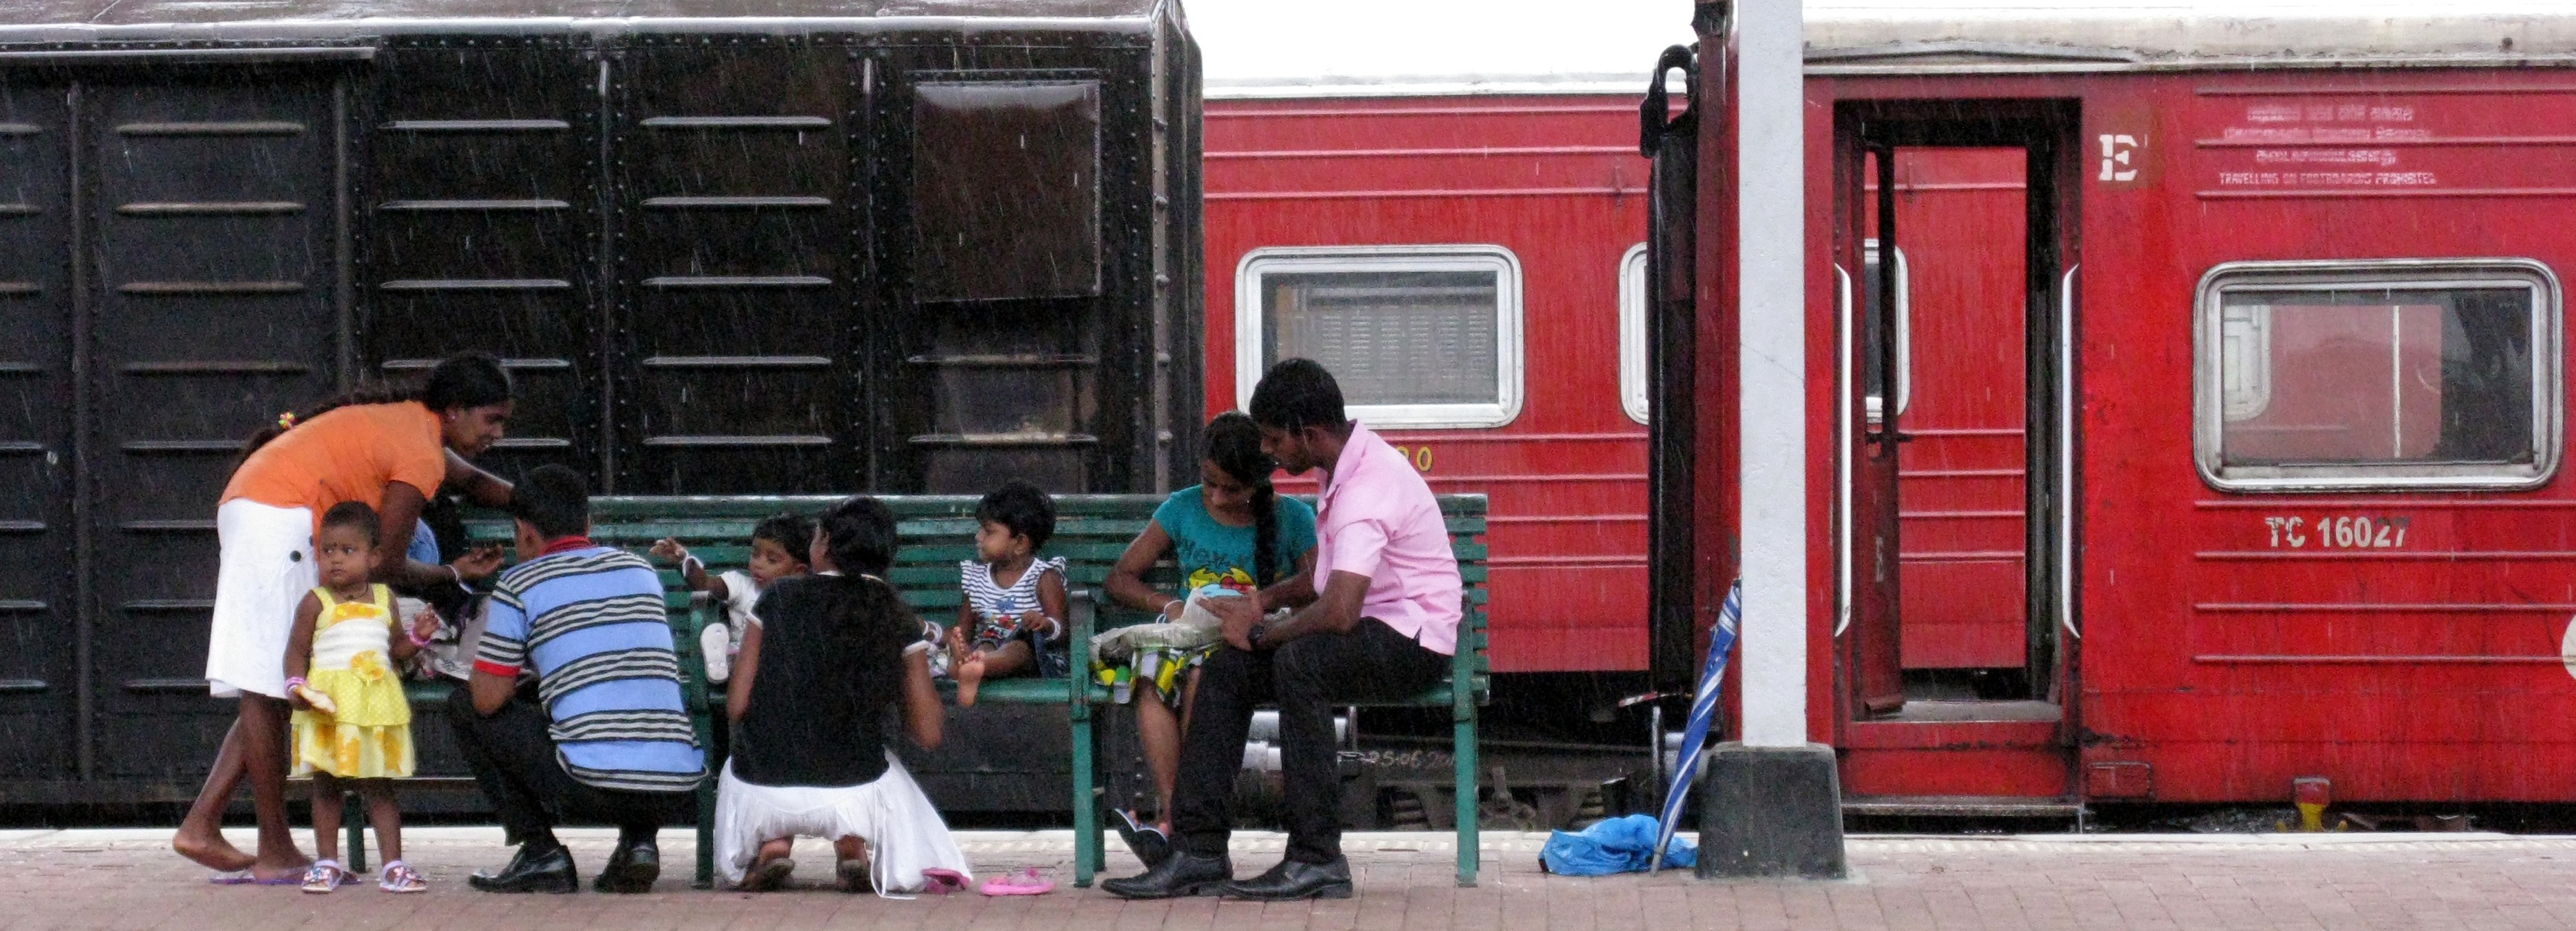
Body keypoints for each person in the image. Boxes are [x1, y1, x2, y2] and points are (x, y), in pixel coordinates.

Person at [1102, 359, 1461, 902]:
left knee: (1301, 663)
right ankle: (1197, 851)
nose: (1268, 452)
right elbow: (1322, 579)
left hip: (1411, 641)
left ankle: (1317, 858)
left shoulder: (1365, 490)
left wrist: (1264, 632)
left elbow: (1338, 610)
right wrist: (1260, 604)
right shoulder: (1341, 465)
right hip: (1371, 625)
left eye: (1274, 439)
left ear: (1307, 433)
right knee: (1226, 667)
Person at [176, 354, 516, 883]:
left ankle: (201, 824)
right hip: (279, 522)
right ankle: (274, 851)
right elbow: (388, 565)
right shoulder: (419, 450)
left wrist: (534, 501)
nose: (499, 433)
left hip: (258, 507)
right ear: (454, 411)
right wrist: (452, 572)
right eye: (492, 419)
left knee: (274, 685)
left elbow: (473, 482)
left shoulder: (411, 426)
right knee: (269, 691)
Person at [449, 466, 703, 894]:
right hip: (676, 786)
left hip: (587, 787)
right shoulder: (640, 570)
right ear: (587, 524)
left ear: (524, 532)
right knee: (626, 709)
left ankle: (540, 852)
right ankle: (639, 843)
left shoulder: (519, 583)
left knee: (464, 705)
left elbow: (489, 699)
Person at [714, 496, 974, 894]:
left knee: (764, 757)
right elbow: (928, 733)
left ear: (826, 545)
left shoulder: (776, 597)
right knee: (869, 764)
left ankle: (774, 844)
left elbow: (737, 707)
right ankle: (853, 846)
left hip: (761, 784)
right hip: (853, 783)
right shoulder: (893, 612)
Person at [1099, 413, 1319, 866]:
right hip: (1187, 633)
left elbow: (1319, 582)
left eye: (1232, 489)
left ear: (1259, 482)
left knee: (1204, 676)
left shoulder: (1293, 518)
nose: (1217, 498)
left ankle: (1182, 826)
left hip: (1247, 646)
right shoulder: (1181, 508)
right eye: (1208, 483)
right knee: (1151, 676)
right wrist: (1170, 605)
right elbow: (1120, 578)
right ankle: (1175, 814)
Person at [282, 502, 440, 894]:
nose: (335, 560)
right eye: (327, 550)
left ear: (374, 557)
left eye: (347, 551)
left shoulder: (384, 599)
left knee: (379, 786)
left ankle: (393, 865)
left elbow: (396, 650)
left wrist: (418, 638)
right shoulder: (315, 602)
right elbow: (296, 650)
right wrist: (295, 685)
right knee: (326, 786)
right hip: (329, 708)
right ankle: (327, 863)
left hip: (372, 707)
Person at [649, 512, 814, 684]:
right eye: (755, 554)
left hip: (782, 671)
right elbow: (705, 584)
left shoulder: (804, 599)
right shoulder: (740, 585)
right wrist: (684, 562)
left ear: (799, 571)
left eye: (772, 560)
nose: (758, 563)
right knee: (738, 654)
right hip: (743, 667)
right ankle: (720, 660)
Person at [946, 481, 1069, 707]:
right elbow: (963, 631)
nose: (979, 537)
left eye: (989, 531)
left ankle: (978, 667)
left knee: (1018, 648)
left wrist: (1045, 624)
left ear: (1020, 543)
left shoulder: (1043, 577)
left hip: (1033, 656)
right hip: (989, 644)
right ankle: (973, 666)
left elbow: (1062, 632)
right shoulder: (976, 579)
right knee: (985, 644)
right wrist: (958, 645)